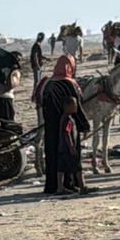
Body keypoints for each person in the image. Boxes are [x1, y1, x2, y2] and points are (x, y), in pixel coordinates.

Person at [36, 55, 91, 194]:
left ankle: (53, 186)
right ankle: (70, 184)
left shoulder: (47, 84)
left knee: (54, 157)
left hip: (51, 128)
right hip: (67, 127)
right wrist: (84, 125)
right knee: (70, 157)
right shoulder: (68, 84)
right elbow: (76, 107)